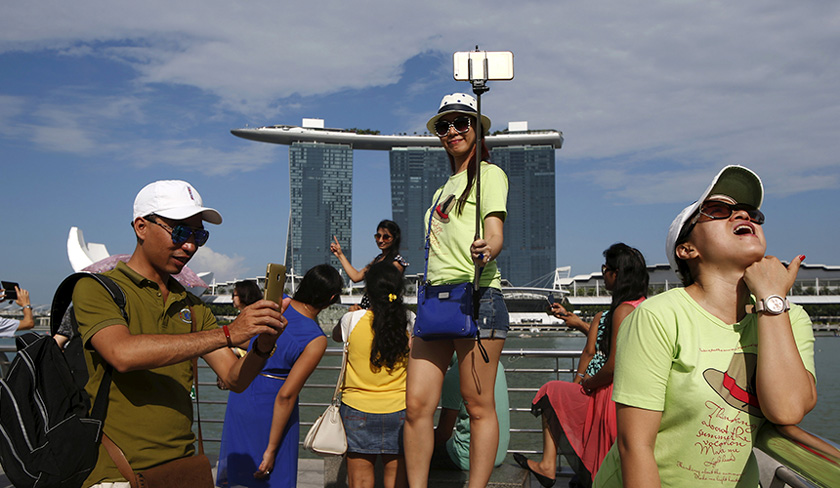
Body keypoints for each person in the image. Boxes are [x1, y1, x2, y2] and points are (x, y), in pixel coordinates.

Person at [594, 166, 817, 487]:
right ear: (687, 250)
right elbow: (635, 446)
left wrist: (770, 300)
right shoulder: (659, 317)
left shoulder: (787, 317)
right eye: (718, 210)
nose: (743, 215)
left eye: (751, 213)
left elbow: (787, 410)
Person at [72, 180, 288, 488]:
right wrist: (228, 333)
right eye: (180, 232)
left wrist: (262, 346)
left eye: (198, 235)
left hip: (182, 469)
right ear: (141, 226)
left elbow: (234, 377)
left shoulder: (192, 306)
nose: (190, 246)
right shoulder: (96, 288)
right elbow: (121, 354)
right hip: (115, 471)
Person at [404, 92, 509, 488]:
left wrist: (488, 248)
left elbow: (495, 233)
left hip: (479, 297)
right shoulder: (440, 190)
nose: (452, 131)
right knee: (416, 406)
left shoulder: (489, 175)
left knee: (478, 405)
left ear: (477, 128)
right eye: (444, 125)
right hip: (435, 300)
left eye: (461, 123)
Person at [514, 243, 649, 488]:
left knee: (550, 391)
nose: (603, 273)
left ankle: (547, 464)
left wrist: (585, 383)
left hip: (608, 394)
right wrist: (578, 323)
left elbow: (609, 361)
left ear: (616, 274)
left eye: (604, 268)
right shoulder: (646, 308)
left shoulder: (621, 311)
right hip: (638, 396)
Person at [217, 264, 342, 488]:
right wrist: (271, 449)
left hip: (242, 395)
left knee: (238, 477)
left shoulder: (275, 305)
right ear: (331, 298)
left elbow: (241, 338)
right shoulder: (316, 339)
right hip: (272, 411)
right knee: (272, 477)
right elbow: (286, 395)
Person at [331, 261, 412, 488]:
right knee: (396, 480)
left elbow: (337, 336)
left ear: (369, 291)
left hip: (356, 409)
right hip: (400, 408)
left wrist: (351, 313)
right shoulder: (409, 321)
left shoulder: (352, 320)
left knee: (360, 481)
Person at [432, 356, 510, 471]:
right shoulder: (496, 364)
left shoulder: (455, 374)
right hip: (497, 454)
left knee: (408, 455)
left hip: (468, 457)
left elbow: (443, 433)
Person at [330, 219, 408, 310]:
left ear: (394, 239)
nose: (381, 240)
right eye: (378, 236)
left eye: (386, 237)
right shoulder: (378, 259)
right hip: (368, 307)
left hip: (381, 310)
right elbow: (356, 277)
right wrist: (340, 255)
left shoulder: (397, 262)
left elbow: (388, 292)